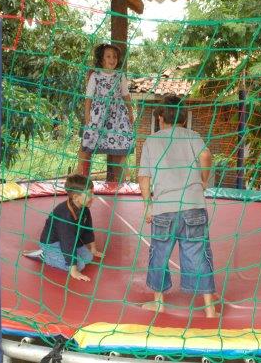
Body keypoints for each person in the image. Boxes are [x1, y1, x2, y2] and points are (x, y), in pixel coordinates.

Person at [138, 95, 218, 317]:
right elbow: (206, 155)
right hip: (193, 206)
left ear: (160, 118)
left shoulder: (151, 141)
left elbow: (144, 177)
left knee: (159, 255)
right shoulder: (192, 136)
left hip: (164, 209)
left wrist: (148, 205)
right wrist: (203, 180)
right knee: (199, 254)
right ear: (183, 118)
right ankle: (210, 309)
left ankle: (159, 302)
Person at [22, 174, 103, 282]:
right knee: (79, 266)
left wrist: (93, 249)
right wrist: (73, 270)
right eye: (89, 194)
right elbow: (67, 242)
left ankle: (61, 256)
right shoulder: (64, 215)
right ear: (76, 197)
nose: (93, 197)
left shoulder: (84, 208)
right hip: (51, 244)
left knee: (88, 258)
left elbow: (87, 228)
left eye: (93, 193)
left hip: (68, 240)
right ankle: (43, 255)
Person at [78, 43, 134, 181]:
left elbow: (126, 95)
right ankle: (80, 175)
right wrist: (87, 115)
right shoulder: (95, 76)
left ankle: (120, 181)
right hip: (98, 116)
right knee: (87, 144)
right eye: (108, 56)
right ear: (102, 59)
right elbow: (89, 97)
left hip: (117, 117)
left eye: (115, 56)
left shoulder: (120, 76)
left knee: (118, 147)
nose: (112, 59)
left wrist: (130, 112)